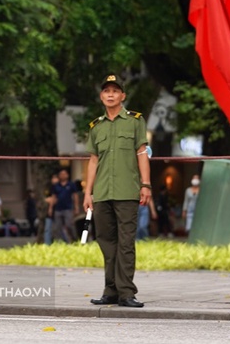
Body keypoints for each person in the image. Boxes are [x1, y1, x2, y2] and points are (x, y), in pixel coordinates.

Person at [83, 74, 151, 308]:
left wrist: (146, 184)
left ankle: (126, 293)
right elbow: (93, 161)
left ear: (122, 95)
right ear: (102, 96)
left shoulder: (135, 121)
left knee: (125, 244)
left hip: (127, 192)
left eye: (115, 90)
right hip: (102, 193)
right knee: (106, 242)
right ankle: (110, 291)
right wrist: (87, 192)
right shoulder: (96, 126)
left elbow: (142, 154)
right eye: (106, 91)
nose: (110, 94)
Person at [49, 169, 80, 243]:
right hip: (58, 209)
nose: (63, 175)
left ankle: (74, 240)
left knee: (69, 225)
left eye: (64, 174)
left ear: (67, 175)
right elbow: (53, 197)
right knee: (57, 227)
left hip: (68, 208)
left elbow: (75, 196)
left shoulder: (71, 184)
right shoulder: (56, 186)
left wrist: (76, 207)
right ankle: (59, 242)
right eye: (61, 174)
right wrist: (50, 208)